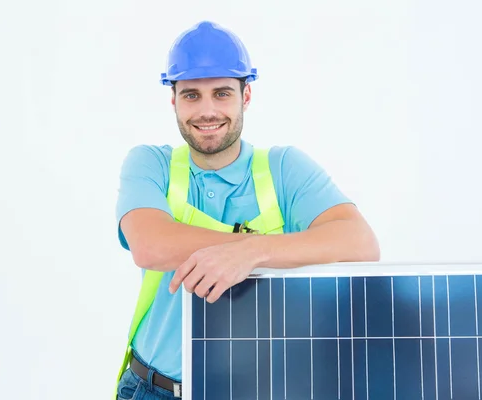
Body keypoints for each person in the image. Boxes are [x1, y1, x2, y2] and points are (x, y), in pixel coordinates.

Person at [113, 20, 380, 400]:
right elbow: (151, 246)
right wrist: (252, 242)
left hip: (261, 390)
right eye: (191, 95)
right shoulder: (148, 164)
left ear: (246, 95)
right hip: (154, 390)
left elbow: (360, 243)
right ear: (173, 100)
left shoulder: (285, 168)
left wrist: (252, 252)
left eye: (222, 93)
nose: (207, 111)